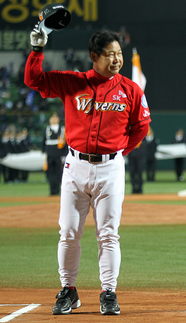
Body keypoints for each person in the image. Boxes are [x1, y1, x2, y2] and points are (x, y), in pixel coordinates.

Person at [25, 26, 151, 315]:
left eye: (119, 54)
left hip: (111, 169)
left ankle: (109, 292)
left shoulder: (131, 89)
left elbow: (141, 126)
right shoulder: (73, 83)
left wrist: (119, 151)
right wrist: (37, 50)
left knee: (108, 233)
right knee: (68, 232)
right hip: (75, 166)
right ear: (94, 56)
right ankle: (68, 290)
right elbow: (34, 80)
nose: (117, 59)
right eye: (110, 54)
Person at [41, 113, 67, 195]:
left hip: (59, 153)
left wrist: (64, 154)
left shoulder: (62, 129)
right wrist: (44, 153)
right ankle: (52, 190)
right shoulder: (47, 129)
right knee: (50, 172)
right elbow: (43, 142)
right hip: (50, 153)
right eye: (52, 118)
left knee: (59, 172)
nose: (54, 120)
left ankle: (58, 190)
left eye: (55, 118)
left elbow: (65, 143)